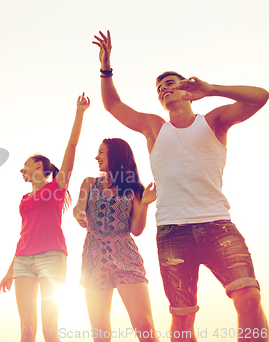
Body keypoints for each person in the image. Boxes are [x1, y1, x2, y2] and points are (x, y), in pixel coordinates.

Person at [92, 30, 269, 341]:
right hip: (173, 231)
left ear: (188, 89)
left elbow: (261, 96)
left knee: (249, 298)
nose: (164, 90)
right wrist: (106, 68)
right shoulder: (154, 128)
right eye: (160, 88)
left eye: (170, 84)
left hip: (218, 226)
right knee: (182, 320)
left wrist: (212, 89)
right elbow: (113, 104)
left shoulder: (213, 122)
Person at [0, 93, 89, 342]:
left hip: (52, 257)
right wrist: (10, 271)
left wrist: (79, 113)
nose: (22, 169)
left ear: (39, 166)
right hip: (23, 262)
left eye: (25, 164)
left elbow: (71, 146)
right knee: (27, 330)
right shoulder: (24, 200)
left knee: (50, 330)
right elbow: (23, 237)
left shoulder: (57, 188)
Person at [73, 138, 159, 342]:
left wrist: (145, 204)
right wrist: (79, 215)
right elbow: (78, 208)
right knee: (100, 332)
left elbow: (136, 230)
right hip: (94, 259)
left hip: (125, 257)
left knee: (144, 326)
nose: (97, 156)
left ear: (116, 155)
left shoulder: (135, 188)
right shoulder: (89, 183)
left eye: (101, 152)